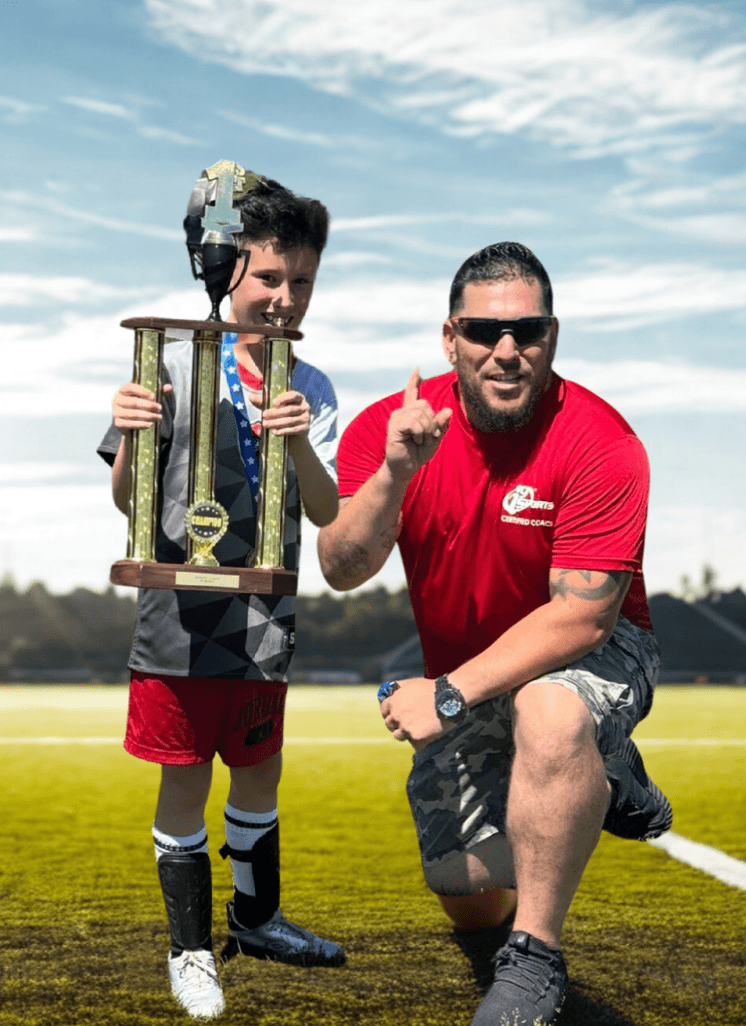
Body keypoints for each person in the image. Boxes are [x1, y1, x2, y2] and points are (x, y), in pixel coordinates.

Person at [317, 241, 671, 1026]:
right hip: (474, 667)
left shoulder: (603, 440)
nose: (506, 352)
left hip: (596, 646)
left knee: (551, 710)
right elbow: (342, 567)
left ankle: (535, 962)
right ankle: (608, 776)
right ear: (450, 339)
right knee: (464, 883)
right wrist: (394, 474)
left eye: (528, 332)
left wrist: (446, 694)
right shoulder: (388, 428)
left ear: (552, 335)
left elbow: (583, 614)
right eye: (483, 332)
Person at [98, 174, 344, 1020]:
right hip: (175, 625)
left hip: (265, 623)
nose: (284, 296)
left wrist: (300, 443)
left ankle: (259, 917)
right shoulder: (165, 365)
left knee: (258, 777)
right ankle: (191, 949)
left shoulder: (311, 383)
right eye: (269, 277)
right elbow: (131, 502)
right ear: (226, 266)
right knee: (181, 781)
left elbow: (324, 507)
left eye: (302, 280)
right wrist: (134, 433)